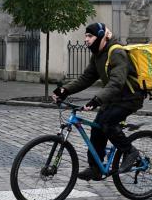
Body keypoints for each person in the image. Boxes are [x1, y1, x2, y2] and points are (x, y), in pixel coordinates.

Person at [52, 22, 143, 181]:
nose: (86, 40)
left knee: (107, 123)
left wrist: (96, 100)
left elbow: (117, 82)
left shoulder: (116, 52)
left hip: (130, 98)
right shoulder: (97, 55)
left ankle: (130, 152)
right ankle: (95, 168)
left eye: (90, 36)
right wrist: (65, 90)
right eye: (85, 36)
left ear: (101, 36)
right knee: (96, 129)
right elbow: (86, 78)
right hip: (113, 99)